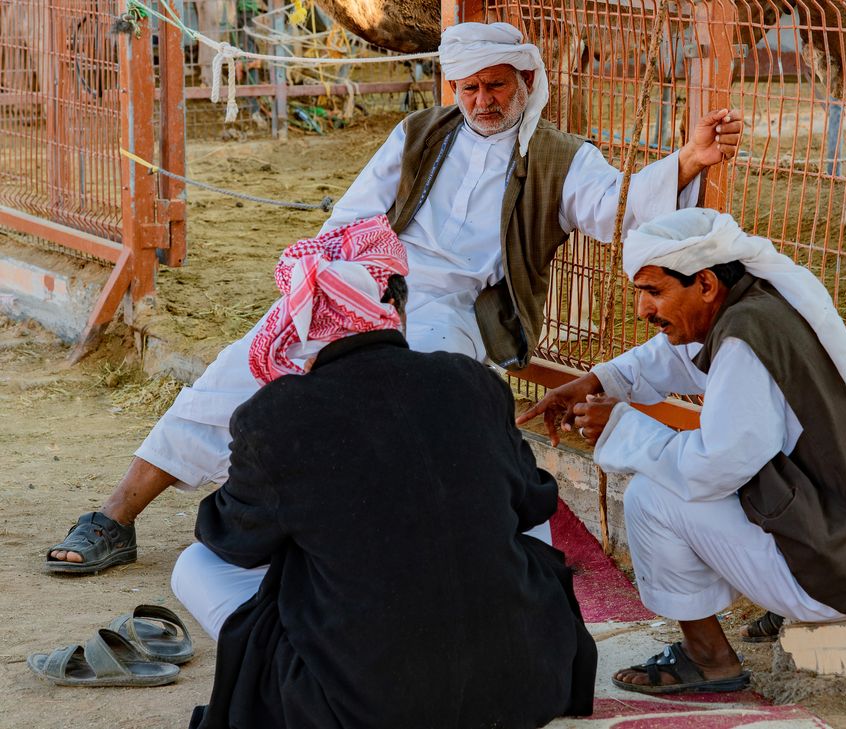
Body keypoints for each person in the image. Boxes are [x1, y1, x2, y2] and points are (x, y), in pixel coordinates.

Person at [45, 20, 744, 572]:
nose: (481, 102)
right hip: (373, 283)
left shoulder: (563, 157)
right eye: (467, 88)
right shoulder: (419, 134)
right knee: (244, 366)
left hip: (460, 306)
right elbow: (350, 219)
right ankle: (117, 514)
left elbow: (618, 208)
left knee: (428, 403)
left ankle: (423, 555)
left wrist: (686, 160)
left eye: (495, 86)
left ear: (526, 80)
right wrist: (339, 281)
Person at [179, 217, 597, 728]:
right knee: (522, 518)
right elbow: (533, 502)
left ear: (302, 319)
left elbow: (230, 540)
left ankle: (294, 673)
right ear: (396, 307)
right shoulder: (470, 380)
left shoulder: (274, 415)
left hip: (365, 710)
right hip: (527, 688)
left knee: (196, 566)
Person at [517, 207, 846, 694]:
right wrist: (595, 380)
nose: (642, 310)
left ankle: (708, 658)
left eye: (653, 292)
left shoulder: (744, 339)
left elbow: (711, 470)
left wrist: (621, 426)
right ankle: (775, 604)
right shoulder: (771, 305)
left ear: (704, 284)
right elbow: (674, 354)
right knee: (708, 472)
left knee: (651, 499)